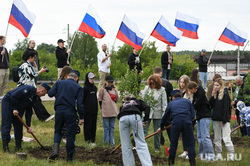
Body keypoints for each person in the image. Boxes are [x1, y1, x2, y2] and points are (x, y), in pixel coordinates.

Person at [1, 83, 51, 153]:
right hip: (9, 101)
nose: (44, 95)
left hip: (19, 106)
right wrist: (14, 109)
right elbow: (14, 96)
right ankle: (5, 147)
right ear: (42, 90)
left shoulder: (35, 98)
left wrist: (28, 126)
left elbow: (29, 111)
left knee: (19, 125)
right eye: (45, 93)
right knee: (7, 123)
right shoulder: (28, 89)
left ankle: (18, 146)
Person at [48, 70, 84, 161]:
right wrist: (82, 117)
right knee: (70, 134)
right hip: (70, 112)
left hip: (59, 111)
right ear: (76, 78)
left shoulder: (59, 83)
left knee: (57, 131)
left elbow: (50, 93)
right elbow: (80, 104)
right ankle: (69, 157)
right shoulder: (78, 87)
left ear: (68, 76)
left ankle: (55, 151)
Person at [157, 90, 196, 166]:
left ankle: (171, 162)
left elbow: (165, 117)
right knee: (190, 143)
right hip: (187, 122)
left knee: (174, 143)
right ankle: (192, 163)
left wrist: (161, 127)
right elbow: (193, 115)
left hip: (176, 122)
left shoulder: (171, 103)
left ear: (173, 97)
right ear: (181, 96)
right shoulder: (188, 102)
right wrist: (187, 119)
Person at [18, 50, 54, 122]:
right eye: (34, 57)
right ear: (30, 57)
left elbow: (35, 71)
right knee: (33, 101)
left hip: (29, 87)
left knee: (36, 101)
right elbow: (33, 74)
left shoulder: (29, 65)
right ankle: (44, 117)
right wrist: (42, 71)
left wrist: (34, 64)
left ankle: (44, 117)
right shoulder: (25, 65)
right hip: (25, 87)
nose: (35, 59)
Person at [118, 94, 152, 166]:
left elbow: (121, 113)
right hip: (135, 118)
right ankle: (147, 164)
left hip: (122, 118)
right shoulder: (138, 101)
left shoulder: (123, 105)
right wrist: (145, 120)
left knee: (125, 145)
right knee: (141, 143)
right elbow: (147, 108)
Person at [188, 81, 215, 161]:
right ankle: (202, 154)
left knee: (205, 137)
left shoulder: (201, 94)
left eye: (190, 90)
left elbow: (196, 105)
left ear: (193, 88)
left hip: (205, 116)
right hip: (199, 117)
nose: (189, 92)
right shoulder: (195, 95)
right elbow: (193, 105)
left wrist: (193, 106)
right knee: (200, 137)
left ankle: (211, 155)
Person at [209, 78, 234, 161]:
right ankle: (218, 153)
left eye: (217, 85)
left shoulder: (225, 95)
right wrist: (212, 96)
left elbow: (226, 108)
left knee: (226, 138)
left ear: (221, 85)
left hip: (224, 119)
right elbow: (210, 105)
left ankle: (231, 154)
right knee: (217, 138)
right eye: (214, 85)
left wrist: (224, 120)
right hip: (216, 119)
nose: (215, 87)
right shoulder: (215, 94)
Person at [142, 75, 167, 152]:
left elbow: (164, 103)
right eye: (151, 83)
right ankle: (142, 147)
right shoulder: (147, 88)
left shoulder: (162, 90)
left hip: (157, 113)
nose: (152, 85)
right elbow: (143, 100)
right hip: (147, 113)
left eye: (154, 83)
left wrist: (164, 113)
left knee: (157, 132)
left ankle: (157, 148)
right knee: (143, 130)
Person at [153, 67, 173, 142]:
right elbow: (171, 93)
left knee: (158, 124)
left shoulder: (152, 81)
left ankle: (160, 140)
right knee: (168, 125)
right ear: (161, 73)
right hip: (166, 106)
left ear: (153, 73)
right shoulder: (166, 82)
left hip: (156, 106)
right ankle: (172, 140)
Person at [99, 75, 119, 147]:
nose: (110, 83)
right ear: (105, 81)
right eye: (109, 82)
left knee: (112, 127)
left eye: (111, 82)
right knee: (106, 128)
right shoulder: (102, 90)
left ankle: (112, 142)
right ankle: (106, 142)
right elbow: (100, 100)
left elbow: (117, 99)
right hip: (105, 112)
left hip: (113, 111)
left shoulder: (114, 90)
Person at [178, 75, 193, 159]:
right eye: (180, 82)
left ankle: (190, 152)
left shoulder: (189, 93)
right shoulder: (180, 92)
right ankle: (185, 151)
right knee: (183, 134)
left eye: (183, 82)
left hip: (188, 116)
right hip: (181, 116)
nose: (181, 84)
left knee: (188, 134)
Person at [83, 72, 98, 145]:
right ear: (87, 78)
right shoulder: (85, 88)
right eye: (91, 79)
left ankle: (92, 140)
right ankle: (87, 140)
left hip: (94, 110)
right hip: (87, 110)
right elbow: (83, 100)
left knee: (93, 125)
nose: (92, 80)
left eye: (93, 78)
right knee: (88, 125)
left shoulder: (94, 88)